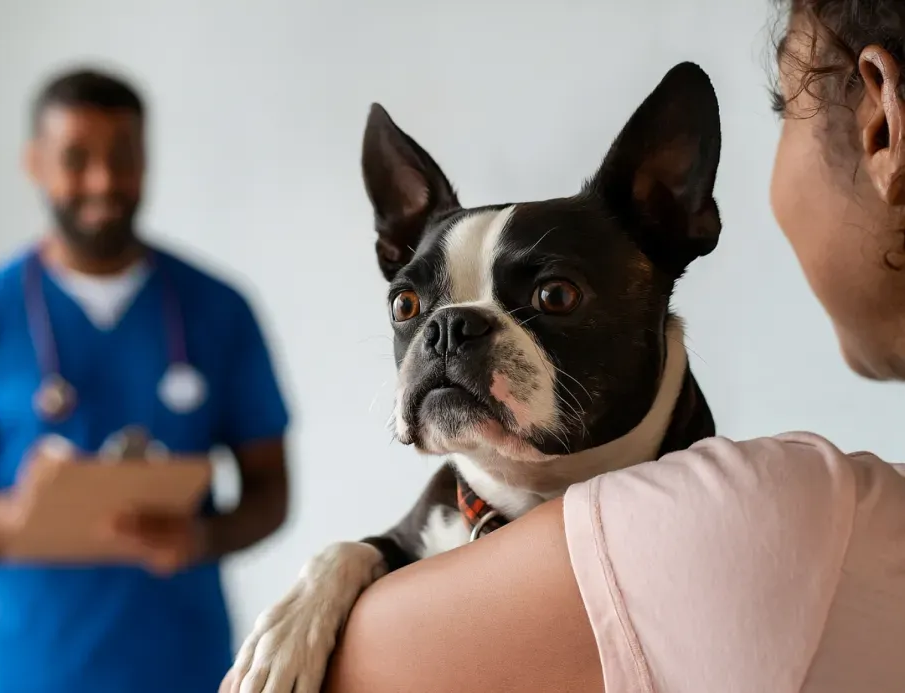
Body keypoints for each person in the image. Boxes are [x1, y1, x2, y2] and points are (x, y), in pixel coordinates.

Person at [322, 2, 905, 691]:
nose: (445, 332)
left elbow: (339, 673)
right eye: (413, 306)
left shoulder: (745, 515)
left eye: (553, 297)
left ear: (879, 126)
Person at [0, 69, 291, 693]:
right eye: (76, 160)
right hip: (22, 675)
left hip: (183, 670)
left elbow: (271, 490)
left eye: (124, 158)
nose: (103, 181)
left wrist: (203, 535)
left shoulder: (217, 309)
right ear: (34, 163)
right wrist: (18, 514)